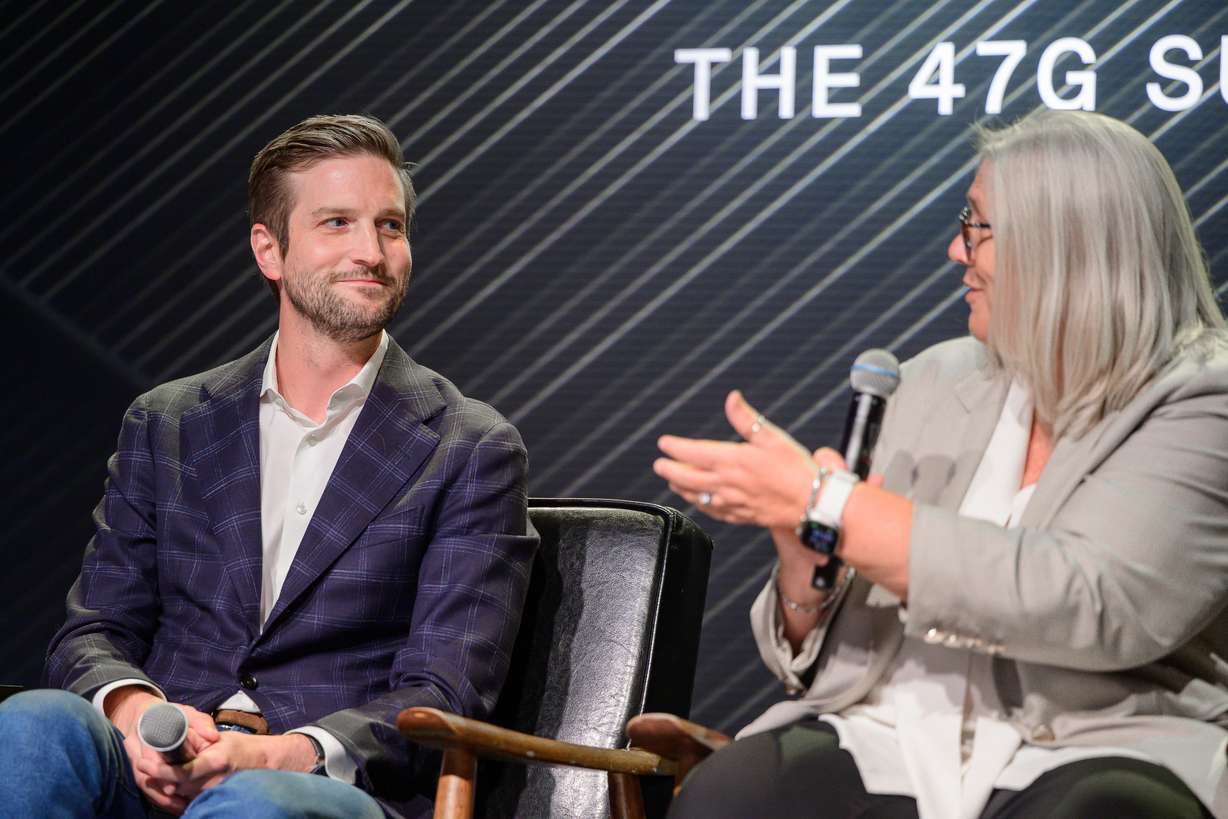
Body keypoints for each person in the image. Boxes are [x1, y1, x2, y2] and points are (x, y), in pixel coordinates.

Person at [653, 110, 1228, 818]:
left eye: (978, 227)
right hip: (899, 728)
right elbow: (827, 651)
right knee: (730, 792)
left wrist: (835, 506)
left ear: (1062, 244)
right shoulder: (934, 378)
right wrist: (807, 571)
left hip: (1097, 742)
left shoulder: (1203, 398)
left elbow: (1090, 597)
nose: (957, 250)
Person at [0, 114, 538, 818]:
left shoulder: (470, 447)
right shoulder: (167, 423)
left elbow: (445, 691)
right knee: (35, 725)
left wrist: (280, 754)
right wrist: (140, 715)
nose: (371, 251)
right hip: (156, 766)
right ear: (269, 250)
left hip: (322, 786)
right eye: (337, 223)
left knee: (254, 804)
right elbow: (92, 631)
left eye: (391, 226)